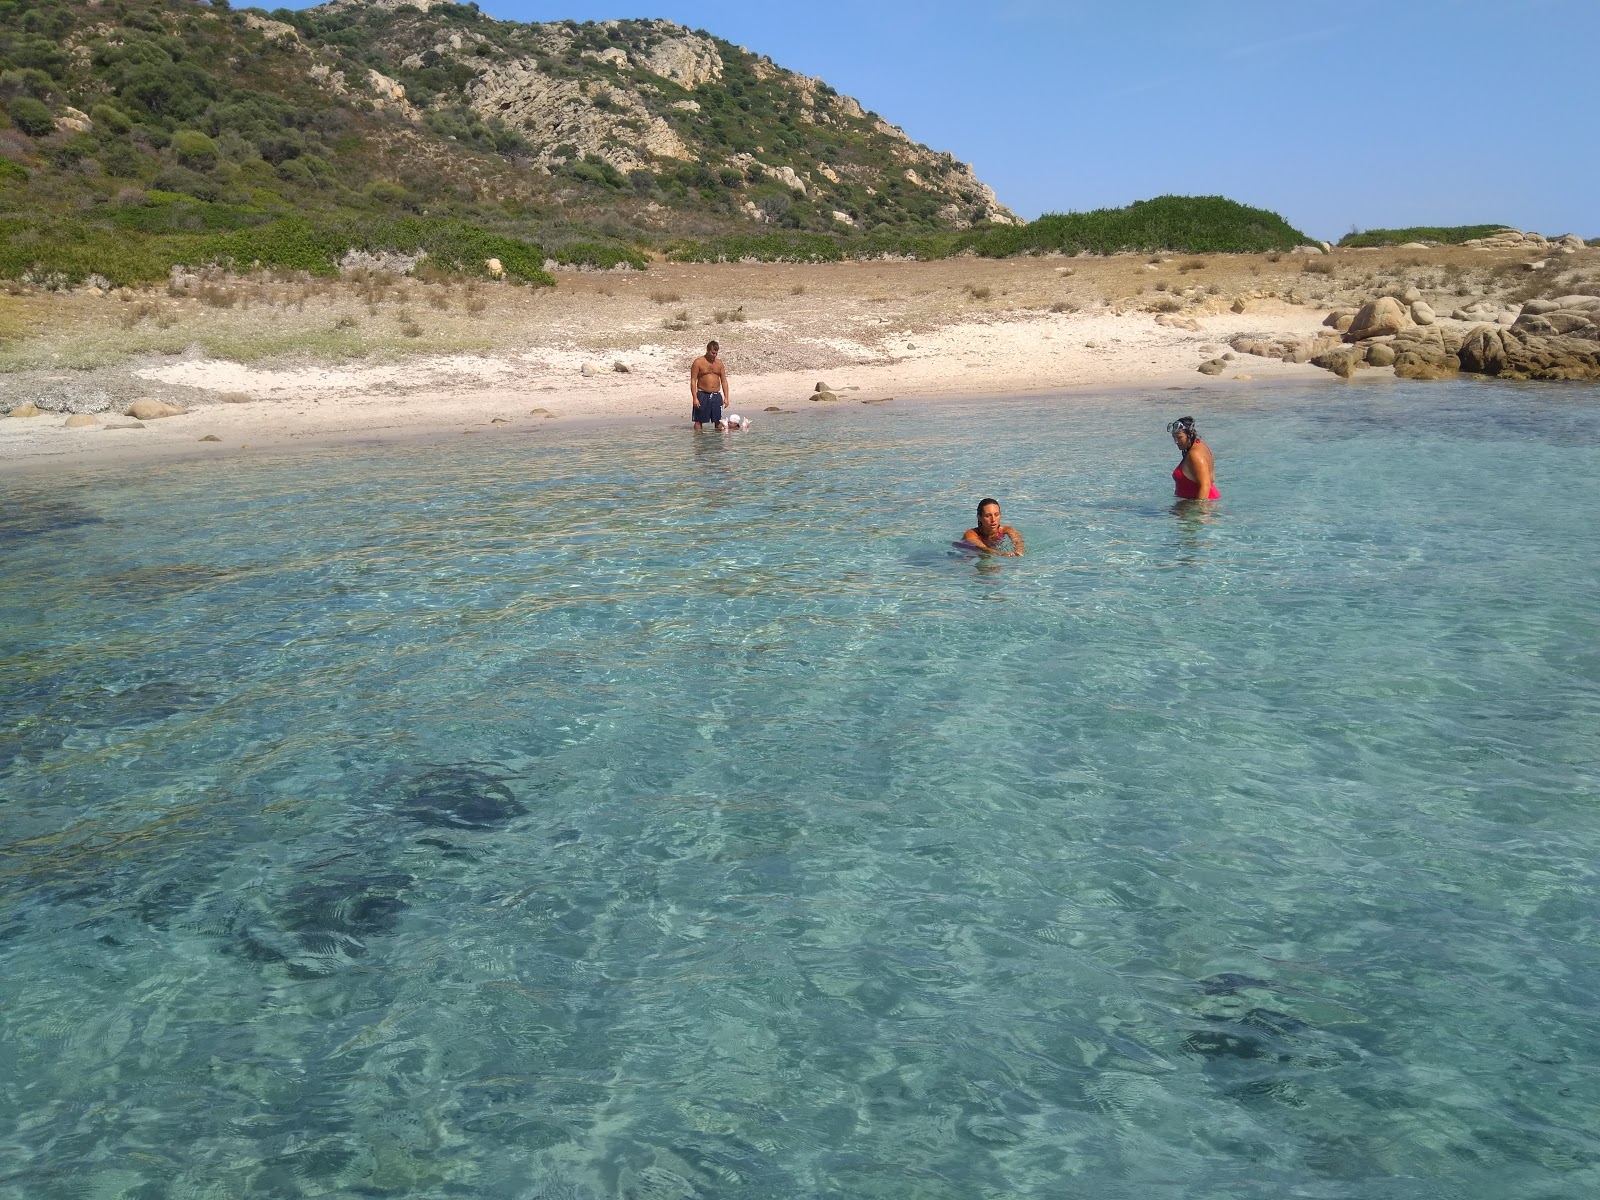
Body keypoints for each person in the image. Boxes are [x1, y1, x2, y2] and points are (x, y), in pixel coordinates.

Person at [1168, 416, 1219, 500]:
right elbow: (1212, 478)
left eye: (1179, 437)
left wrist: (1199, 511)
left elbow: (1205, 485)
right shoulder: (1200, 445)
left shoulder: (1195, 455)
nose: (1176, 442)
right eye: (1174, 437)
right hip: (1194, 504)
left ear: (1190, 435)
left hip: (1200, 505)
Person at [690, 341, 729, 431]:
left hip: (716, 395)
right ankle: (698, 443)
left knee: (718, 421)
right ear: (707, 350)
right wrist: (695, 398)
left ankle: (717, 443)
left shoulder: (719, 363)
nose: (714, 355)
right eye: (712, 353)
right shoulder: (698, 362)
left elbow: (724, 381)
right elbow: (693, 380)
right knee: (698, 421)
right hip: (702, 394)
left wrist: (726, 397)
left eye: (716, 353)